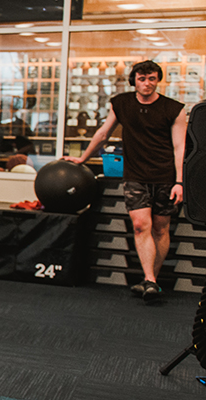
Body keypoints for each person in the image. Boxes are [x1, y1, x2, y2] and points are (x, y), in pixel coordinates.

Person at [64, 60, 187, 304]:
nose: (147, 83)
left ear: (157, 80)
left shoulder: (174, 109)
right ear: (134, 81)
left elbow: (179, 146)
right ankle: (150, 279)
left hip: (165, 177)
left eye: (152, 78)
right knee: (141, 225)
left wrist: (180, 181)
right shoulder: (121, 104)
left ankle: (151, 279)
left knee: (161, 228)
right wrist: (83, 158)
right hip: (135, 176)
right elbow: (103, 134)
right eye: (142, 79)